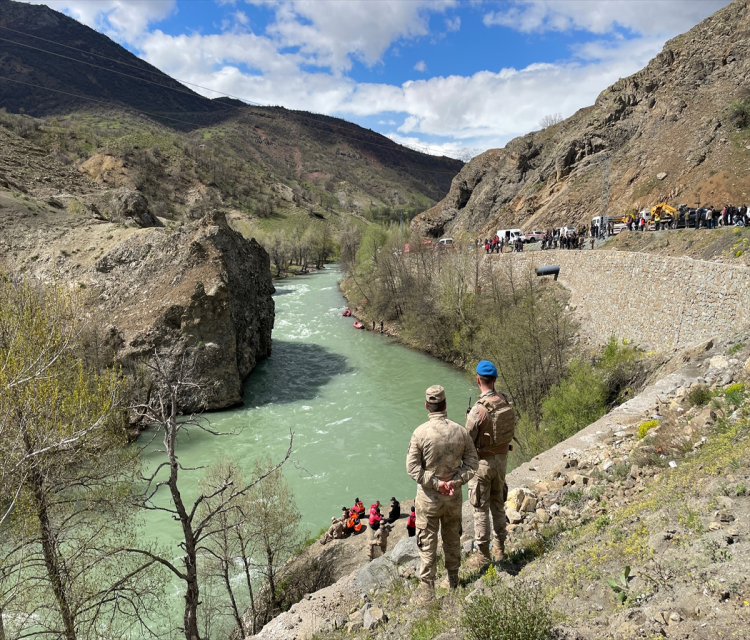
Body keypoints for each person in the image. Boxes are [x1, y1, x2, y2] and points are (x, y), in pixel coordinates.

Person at [406, 385, 479, 603]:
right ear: (445, 405)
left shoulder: (420, 433)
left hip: (429, 500)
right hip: (453, 498)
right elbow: (473, 463)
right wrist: (454, 482)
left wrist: (436, 484)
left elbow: (412, 469)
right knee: (452, 538)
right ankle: (454, 583)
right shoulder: (461, 431)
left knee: (427, 543)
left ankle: (428, 594)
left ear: (427, 406)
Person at [465, 360, 516, 570]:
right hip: (502, 462)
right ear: (494, 380)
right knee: (498, 505)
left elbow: (467, 440)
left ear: (478, 380)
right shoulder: (505, 402)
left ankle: (484, 556)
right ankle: (500, 550)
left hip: (483, 465)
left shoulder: (478, 410)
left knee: (480, 509)